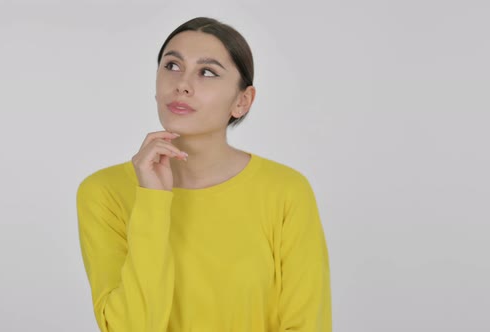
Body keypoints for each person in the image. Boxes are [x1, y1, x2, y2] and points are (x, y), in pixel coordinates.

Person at [76, 17, 332, 331]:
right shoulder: (103, 192)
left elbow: (307, 324)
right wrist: (153, 201)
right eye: (171, 66)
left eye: (207, 72)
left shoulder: (286, 191)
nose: (182, 84)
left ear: (242, 101)